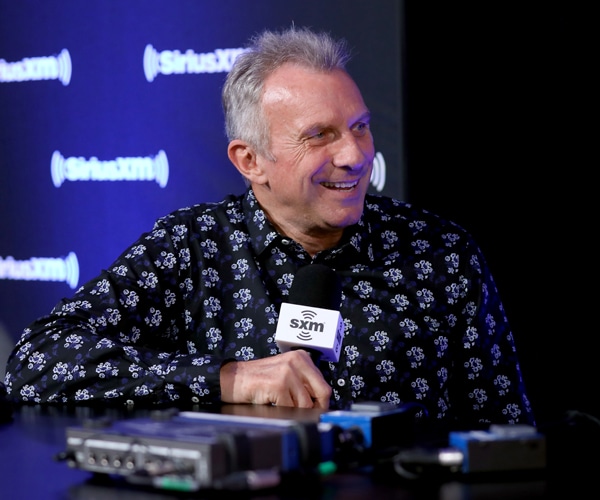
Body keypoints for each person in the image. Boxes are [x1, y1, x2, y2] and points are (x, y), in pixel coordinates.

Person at [3, 26, 535, 429]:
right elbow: (35, 363)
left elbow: (507, 431)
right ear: (250, 160)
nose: (355, 156)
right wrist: (228, 378)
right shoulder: (191, 248)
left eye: (360, 127)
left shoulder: (440, 252)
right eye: (320, 135)